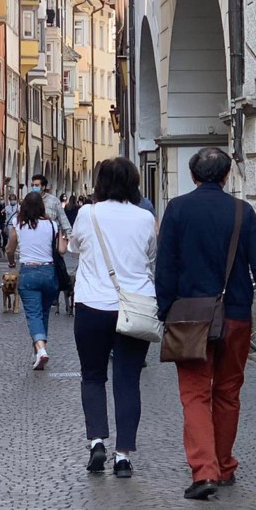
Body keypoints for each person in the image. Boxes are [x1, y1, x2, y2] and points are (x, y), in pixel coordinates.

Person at [156, 147, 256, 500]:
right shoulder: (242, 212)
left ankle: (204, 471)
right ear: (228, 176)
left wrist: (164, 311)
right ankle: (225, 463)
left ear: (193, 176)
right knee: (228, 393)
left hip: (188, 315)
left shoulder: (178, 209)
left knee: (195, 395)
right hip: (235, 314)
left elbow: (165, 266)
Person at [67, 158, 157, 479]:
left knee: (92, 375)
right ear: (134, 183)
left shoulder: (86, 214)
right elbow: (150, 257)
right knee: (127, 379)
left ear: (100, 183)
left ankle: (96, 442)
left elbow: (75, 248)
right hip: (134, 306)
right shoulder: (146, 218)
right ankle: (123, 456)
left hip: (92, 305)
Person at [6, 192, 67, 370]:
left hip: (29, 272)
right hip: (49, 273)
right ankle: (38, 353)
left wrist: (11, 261)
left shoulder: (18, 224)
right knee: (44, 313)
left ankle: (41, 350)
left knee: (33, 314)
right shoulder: (52, 224)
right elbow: (62, 250)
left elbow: (10, 249)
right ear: (42, 206)